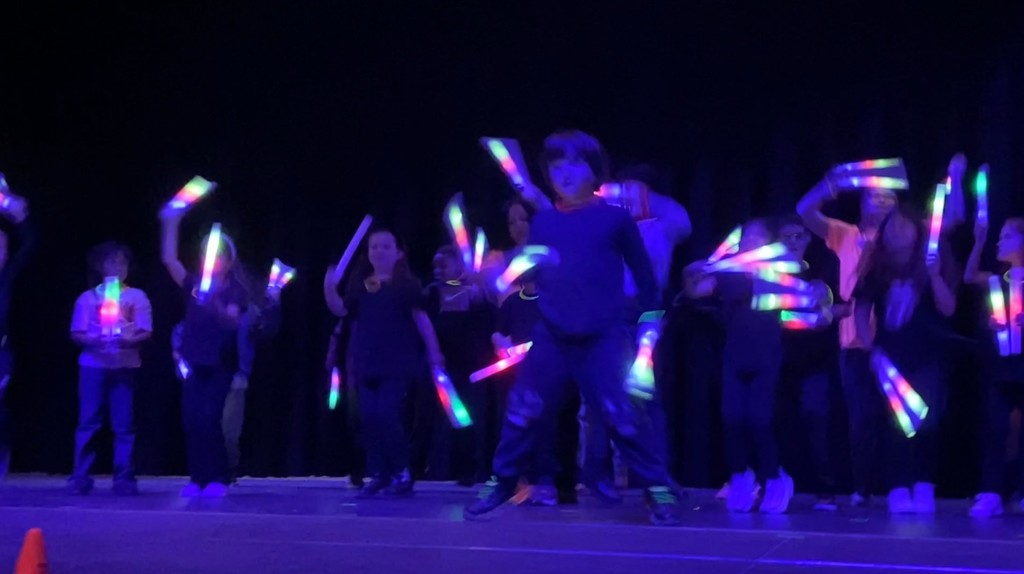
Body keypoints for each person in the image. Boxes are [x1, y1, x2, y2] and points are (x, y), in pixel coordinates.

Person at [464, 129, 679, 525]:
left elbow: (645, 280)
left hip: (604, 336)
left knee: (624, 415)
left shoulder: (615, 219)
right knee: (523, 409)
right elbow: (534, 269)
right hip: (553, 335)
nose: (564, 172)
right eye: (556, 165)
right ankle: (502, 481)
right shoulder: (544, 222)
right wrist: (504, 273)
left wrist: (649, 326)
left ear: (594, 169)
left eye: (575, 163)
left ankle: (656, 487)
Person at [324, 226, 444, 497]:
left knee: (387, 415)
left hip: (397, 363)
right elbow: (340, 309)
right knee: (368, 418)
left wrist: (435, 352)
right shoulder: (361, 285)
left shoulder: (406, 286)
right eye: (374, 246)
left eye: (386, 246)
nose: (379, 251)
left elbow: (421, 320)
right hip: (366, 362)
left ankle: (401, 471)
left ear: (398, 253)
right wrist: (328, 287)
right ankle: (379, 473)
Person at [853, 205, 958, 514]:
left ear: (917, 231)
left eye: (903, 225)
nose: (897, 230)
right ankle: (898, 487)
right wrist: (870, 348)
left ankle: (923, 485)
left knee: (927, 422)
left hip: (928, 355)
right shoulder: (876, 269)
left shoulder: (931, 262)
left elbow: (949, 308)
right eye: (891, 226)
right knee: (896, 424)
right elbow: (861, 311)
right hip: (890, 357)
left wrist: (935, 276)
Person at [684, 218, 793, 513]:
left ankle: (775, 478)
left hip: (766, 356)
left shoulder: (778, 268)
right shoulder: (727, 273)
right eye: (746, 237)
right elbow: (696, 290)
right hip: (735, 356)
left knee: (760, 419)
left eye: (758, 236)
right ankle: (741, 477)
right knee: (732, 418)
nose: (750, 241)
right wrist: (697, 270)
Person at [160, 207, 255, 497]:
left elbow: (232, 319)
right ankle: (197, 478)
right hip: (193, 361)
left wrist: (214, 303)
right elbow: (169, 259)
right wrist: (172, 221)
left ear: (228, 261)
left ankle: (218, 478)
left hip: (220, 364)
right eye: (208, 256)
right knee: (191, 420)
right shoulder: (192, 283)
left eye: (219, 256)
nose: (212, 261)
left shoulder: (235, 290)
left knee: (210, 418)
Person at [68, 242, 152, 495]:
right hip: (93, 365)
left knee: (124, 423)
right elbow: (77, 332)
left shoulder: (136, 296)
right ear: (100, 266)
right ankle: (81, 476)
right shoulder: (88, 298)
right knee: (88, 421)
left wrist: (127, 340)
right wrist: (94, 340)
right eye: (111, 262)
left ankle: (124, 476)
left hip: (124, 365)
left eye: (122, 262)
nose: (117, 267)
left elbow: (145, 330)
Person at [775, 215, 840, 510]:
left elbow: (839, 310)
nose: (792, 242)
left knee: (817, 421)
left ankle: (825, 489)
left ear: (808, 239)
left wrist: (823, 309)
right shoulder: (766, 274)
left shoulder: (821, 271)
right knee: (774, 423)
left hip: (815, 361)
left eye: (798, 236)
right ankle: (774, 484)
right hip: (776, 361)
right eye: (786, 236)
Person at [964, 217, 1024, 517]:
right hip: (1001, 368)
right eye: (1000, 237)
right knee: (995, 428)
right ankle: (991, 493)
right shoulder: (996, 282)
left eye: (1008, 236)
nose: (1000, 242)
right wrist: (979, 241)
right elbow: (969, 276)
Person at [420, 245, 493, 485]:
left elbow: (490, 320)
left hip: (473, 368)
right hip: (441, 366)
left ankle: (471, 472)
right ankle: (438, 472)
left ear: (459, 266)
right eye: (435, 266)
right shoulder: (431, 294)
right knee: (441, 421)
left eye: (443, 265)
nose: (437, 270)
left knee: (471, 419)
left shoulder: (476, 293)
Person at [0, 189, 33, 480]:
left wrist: (19, 218)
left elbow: (29, 242)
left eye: (2, 247)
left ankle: (2, 458)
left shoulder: (7, 276)